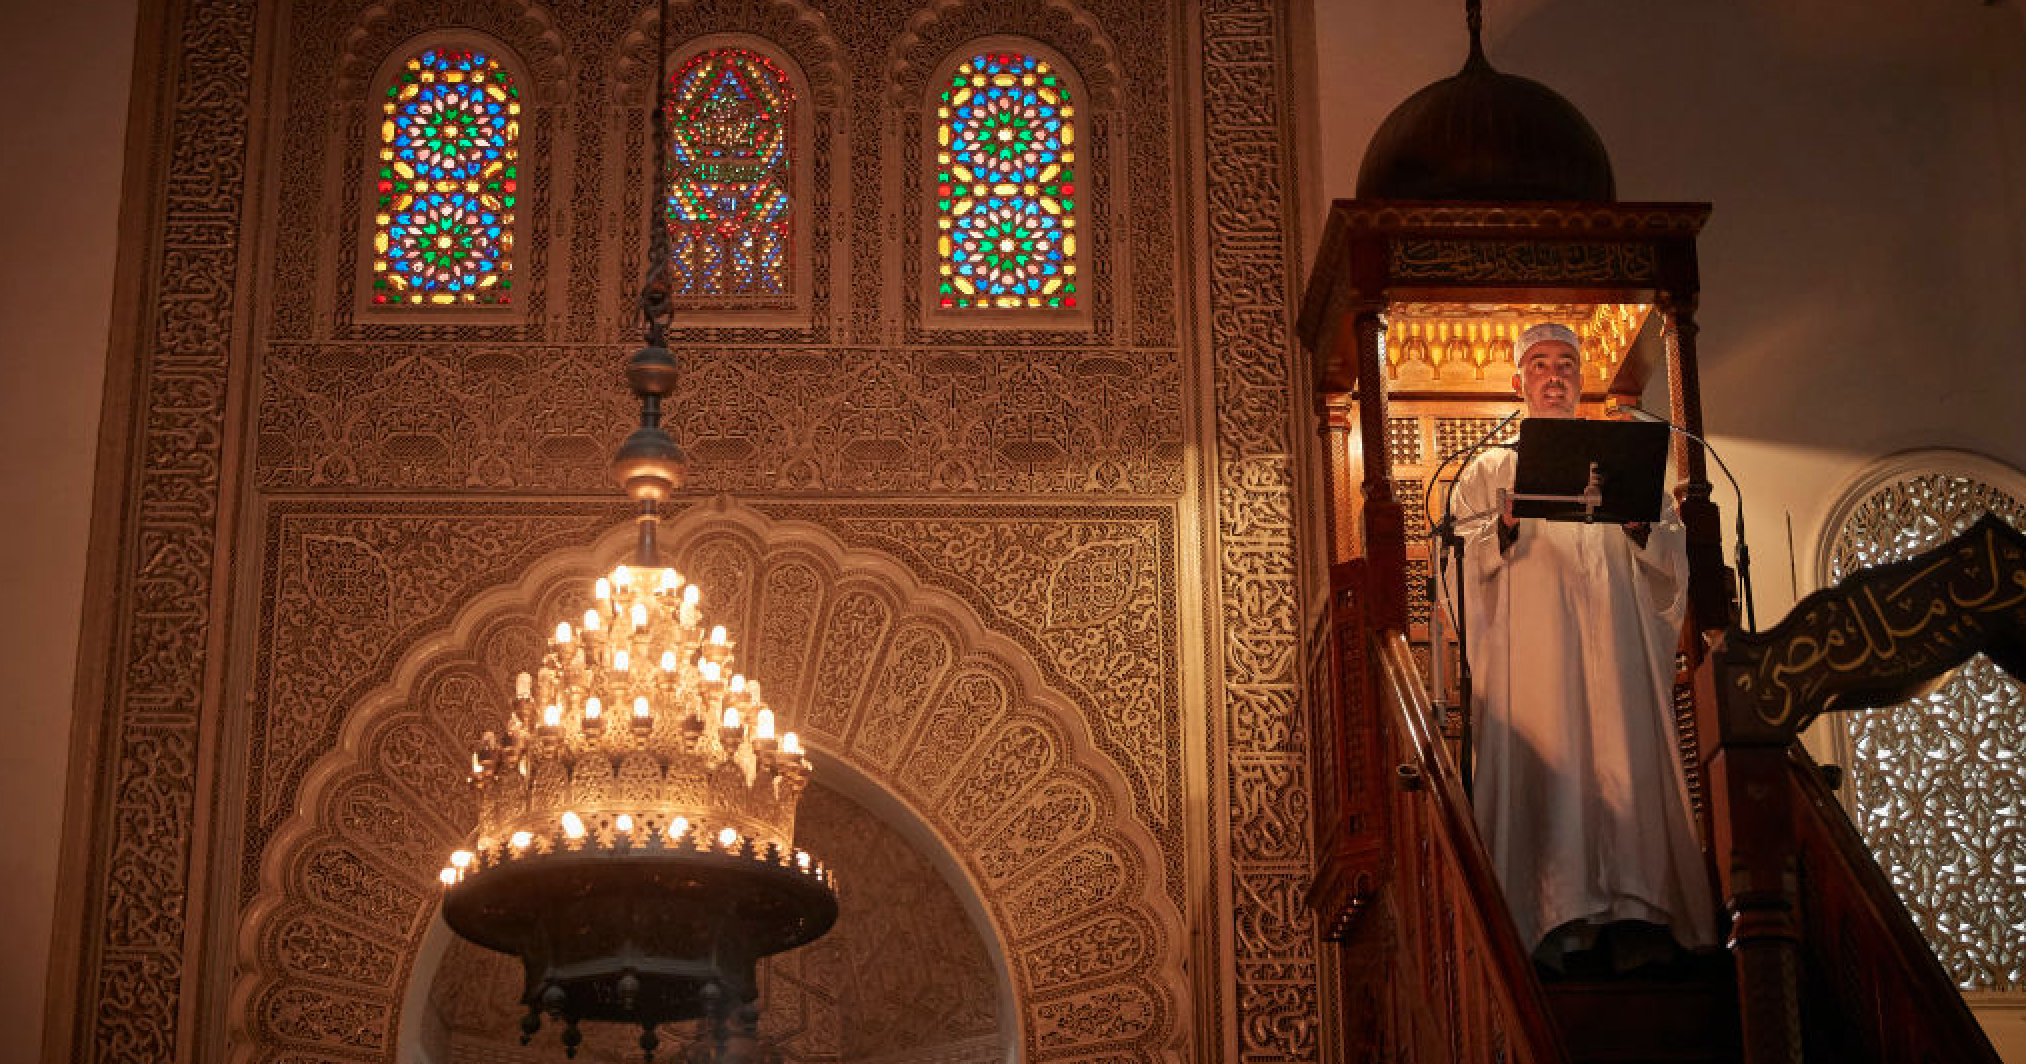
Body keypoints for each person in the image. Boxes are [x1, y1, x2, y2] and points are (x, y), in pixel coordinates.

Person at [1451, 322, 1718, 973]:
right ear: (1519, 382)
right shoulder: (1491, 469)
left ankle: (1636, 915)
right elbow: (1457, 563)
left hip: (1615, 657)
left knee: (1622, 765)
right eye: (1539, 364)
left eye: (1564, 364)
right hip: (1536, 667)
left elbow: (1668, 558)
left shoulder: (1623, 461)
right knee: (1553, 774)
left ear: (1580, 377)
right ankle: (1552, 924)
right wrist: (1503, 529)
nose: (1552, 375)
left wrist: (1640, 529)